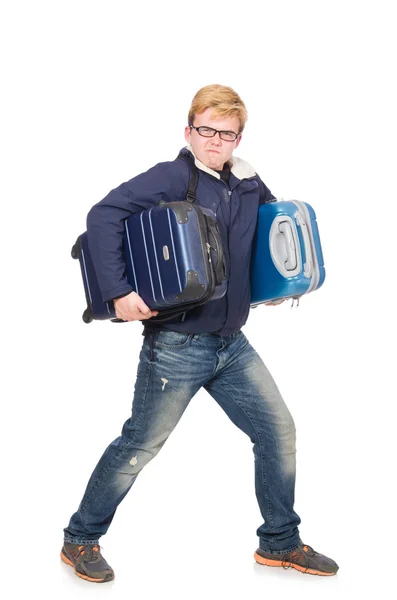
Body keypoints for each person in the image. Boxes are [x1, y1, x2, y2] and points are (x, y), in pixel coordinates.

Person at [61, 84, 338, 582]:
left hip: (232, 344)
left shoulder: (248, 182)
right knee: (139, 446)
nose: (215, 140)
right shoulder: (171, 176)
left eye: (226, 133)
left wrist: (275, 285)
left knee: (277, 432)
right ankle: (80, 539)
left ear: (238, 138)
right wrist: (120, 291)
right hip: (176, 346)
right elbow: (103, 215)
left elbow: (271, 231)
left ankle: (279, 542)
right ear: (189, 131)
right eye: (206, 130)